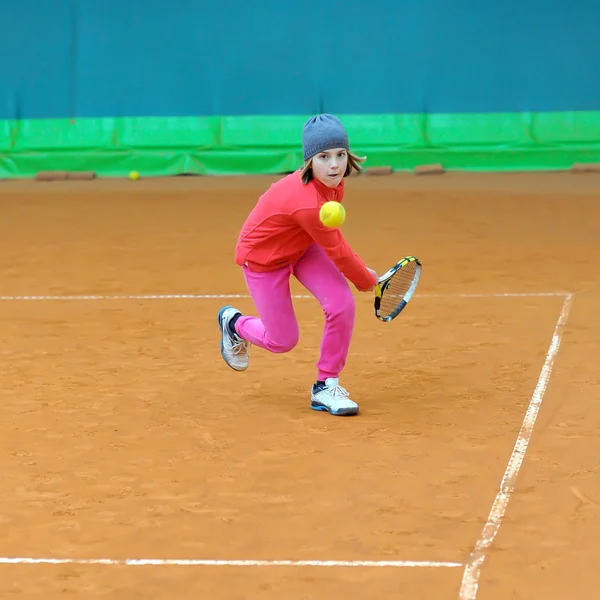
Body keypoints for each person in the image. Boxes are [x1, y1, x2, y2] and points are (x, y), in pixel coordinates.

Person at [217, 114, 378, 416]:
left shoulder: (333, 183)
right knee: (282, 340)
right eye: (324, 157)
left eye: (340, 155)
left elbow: (330, 242)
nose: (334, 165)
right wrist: (366, 279)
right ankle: (234, 324)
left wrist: (361, 277)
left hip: (302, 247)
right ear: (308, 162)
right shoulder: (305, 202)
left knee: (342, 305)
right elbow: (337, 249)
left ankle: (325, 386)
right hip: (264, 260)